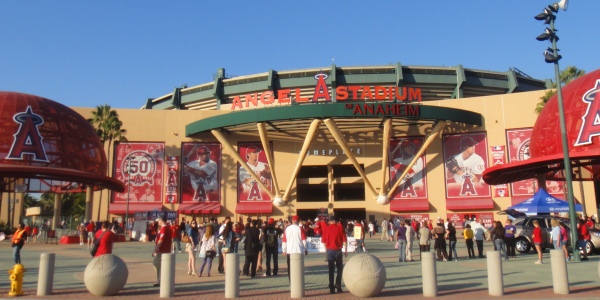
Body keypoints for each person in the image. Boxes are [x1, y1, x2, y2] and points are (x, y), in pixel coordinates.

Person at [322, 216, 347, 294]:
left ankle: (331, 287)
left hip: (330, 250)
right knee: (340, 268)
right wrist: (345, 250)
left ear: (330, 221)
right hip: (338, 250)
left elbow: (323, 241)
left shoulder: (326, 228)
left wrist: (326, 249)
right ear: (335, 221)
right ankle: (338, 284)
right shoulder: (340, 228)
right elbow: (344, 240)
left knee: (331, 269)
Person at [282, 215, 308, 281]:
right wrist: (305, 249)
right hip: (299, 250)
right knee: (299, 268)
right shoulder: (300, 228)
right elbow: (304, 240)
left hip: (290, 251)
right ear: (298, 221)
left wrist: (284, 250)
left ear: (292, 221)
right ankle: (298, 281)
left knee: (290, 268)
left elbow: (284, 240)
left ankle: (291, 281)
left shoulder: (287, 229)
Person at [151, 215, 172, 287]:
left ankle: (160, 280)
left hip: (162, 251)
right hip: (165, 250)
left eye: (159, 220)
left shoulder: (164, 229)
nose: (158, 222)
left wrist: (154, 250)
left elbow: (160, 241)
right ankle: (160, 280)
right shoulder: (167, 228)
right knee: (159, 265)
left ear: (161, 220)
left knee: (156, 264)